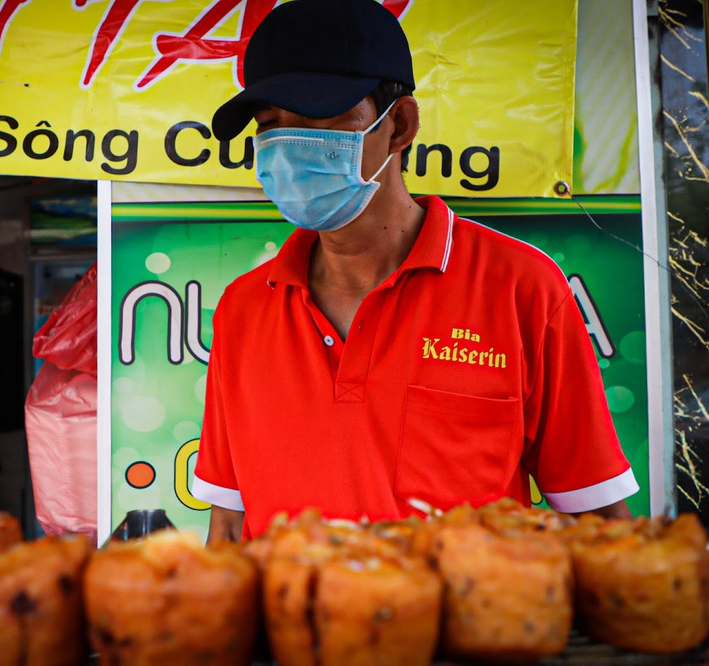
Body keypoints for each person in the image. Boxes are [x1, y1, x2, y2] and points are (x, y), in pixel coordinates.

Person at [191, 0, 638, 543]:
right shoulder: (244, 307)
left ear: (398, 125)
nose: (287, 147)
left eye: (316, 117)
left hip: (468, 624)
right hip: (290, 625)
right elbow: (230, 527)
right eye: (270, 125)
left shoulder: (522, 287)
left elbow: (597, 523)